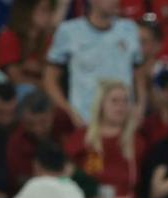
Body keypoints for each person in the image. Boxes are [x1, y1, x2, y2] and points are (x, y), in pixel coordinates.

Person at [45, 0, 145, 128]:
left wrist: (140, 106)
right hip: (85, 121)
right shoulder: (69, 31)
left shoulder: (129, 29)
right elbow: (50, 80)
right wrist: (68, 111)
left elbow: (139, 75)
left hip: (124, 121)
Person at [66, 80, 145, 198]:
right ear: (101, 104)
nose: (121, 106)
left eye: (125, 101)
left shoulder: (137, 142)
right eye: (115, 101)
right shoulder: (81, 138)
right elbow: (64, 176)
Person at [0, 0, 57, 90]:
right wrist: (45, 84)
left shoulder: (48, 40)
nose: (49, 15)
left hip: (40, 94)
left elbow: (54, 73)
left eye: (50, 10)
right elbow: (16, 79)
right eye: (43, 10)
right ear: (27, 11)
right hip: (10, 95)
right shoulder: (8, 37)